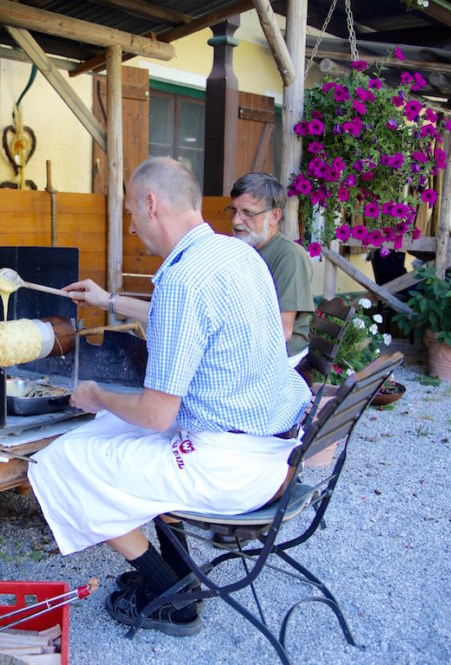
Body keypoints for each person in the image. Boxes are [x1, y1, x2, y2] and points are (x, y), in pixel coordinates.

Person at [26, 157, 310, 637]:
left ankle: (173, 596)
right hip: (277, 448)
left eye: (133, 215)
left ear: (152, 204)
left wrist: (95, 393)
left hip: (231, 465)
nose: (134, 229)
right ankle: (176, 572)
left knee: (61, 462)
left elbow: (158, 415)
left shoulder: (182, 279)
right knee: (111, 433)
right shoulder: (237, 254)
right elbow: (180, 315)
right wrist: (109, 301)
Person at [228, 172, 315, 382]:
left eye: (248, 213)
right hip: (254, 352)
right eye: (234, 211)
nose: (236, 221)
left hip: (282, 360)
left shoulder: (289, 256)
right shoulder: (246, 250)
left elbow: (282, 332)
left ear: (274, 216)